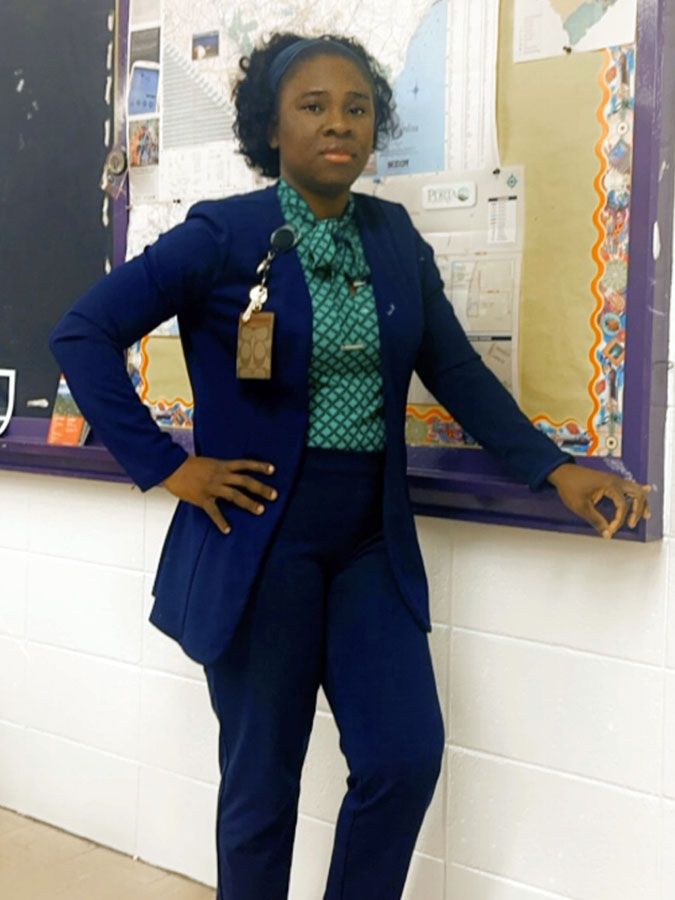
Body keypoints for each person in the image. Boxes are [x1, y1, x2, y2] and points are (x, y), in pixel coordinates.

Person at [49, 31, 651, 900]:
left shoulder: (393, 237)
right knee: (262, 787)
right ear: (272, 128)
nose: (340, 124)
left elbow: (453, 372)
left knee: (403, 757)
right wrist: (167, 466)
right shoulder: (223, 234)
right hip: (259, 538)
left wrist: (555, 469)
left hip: (370, 540)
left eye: (357, 108)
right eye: (314, 106)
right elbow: (83, 332)